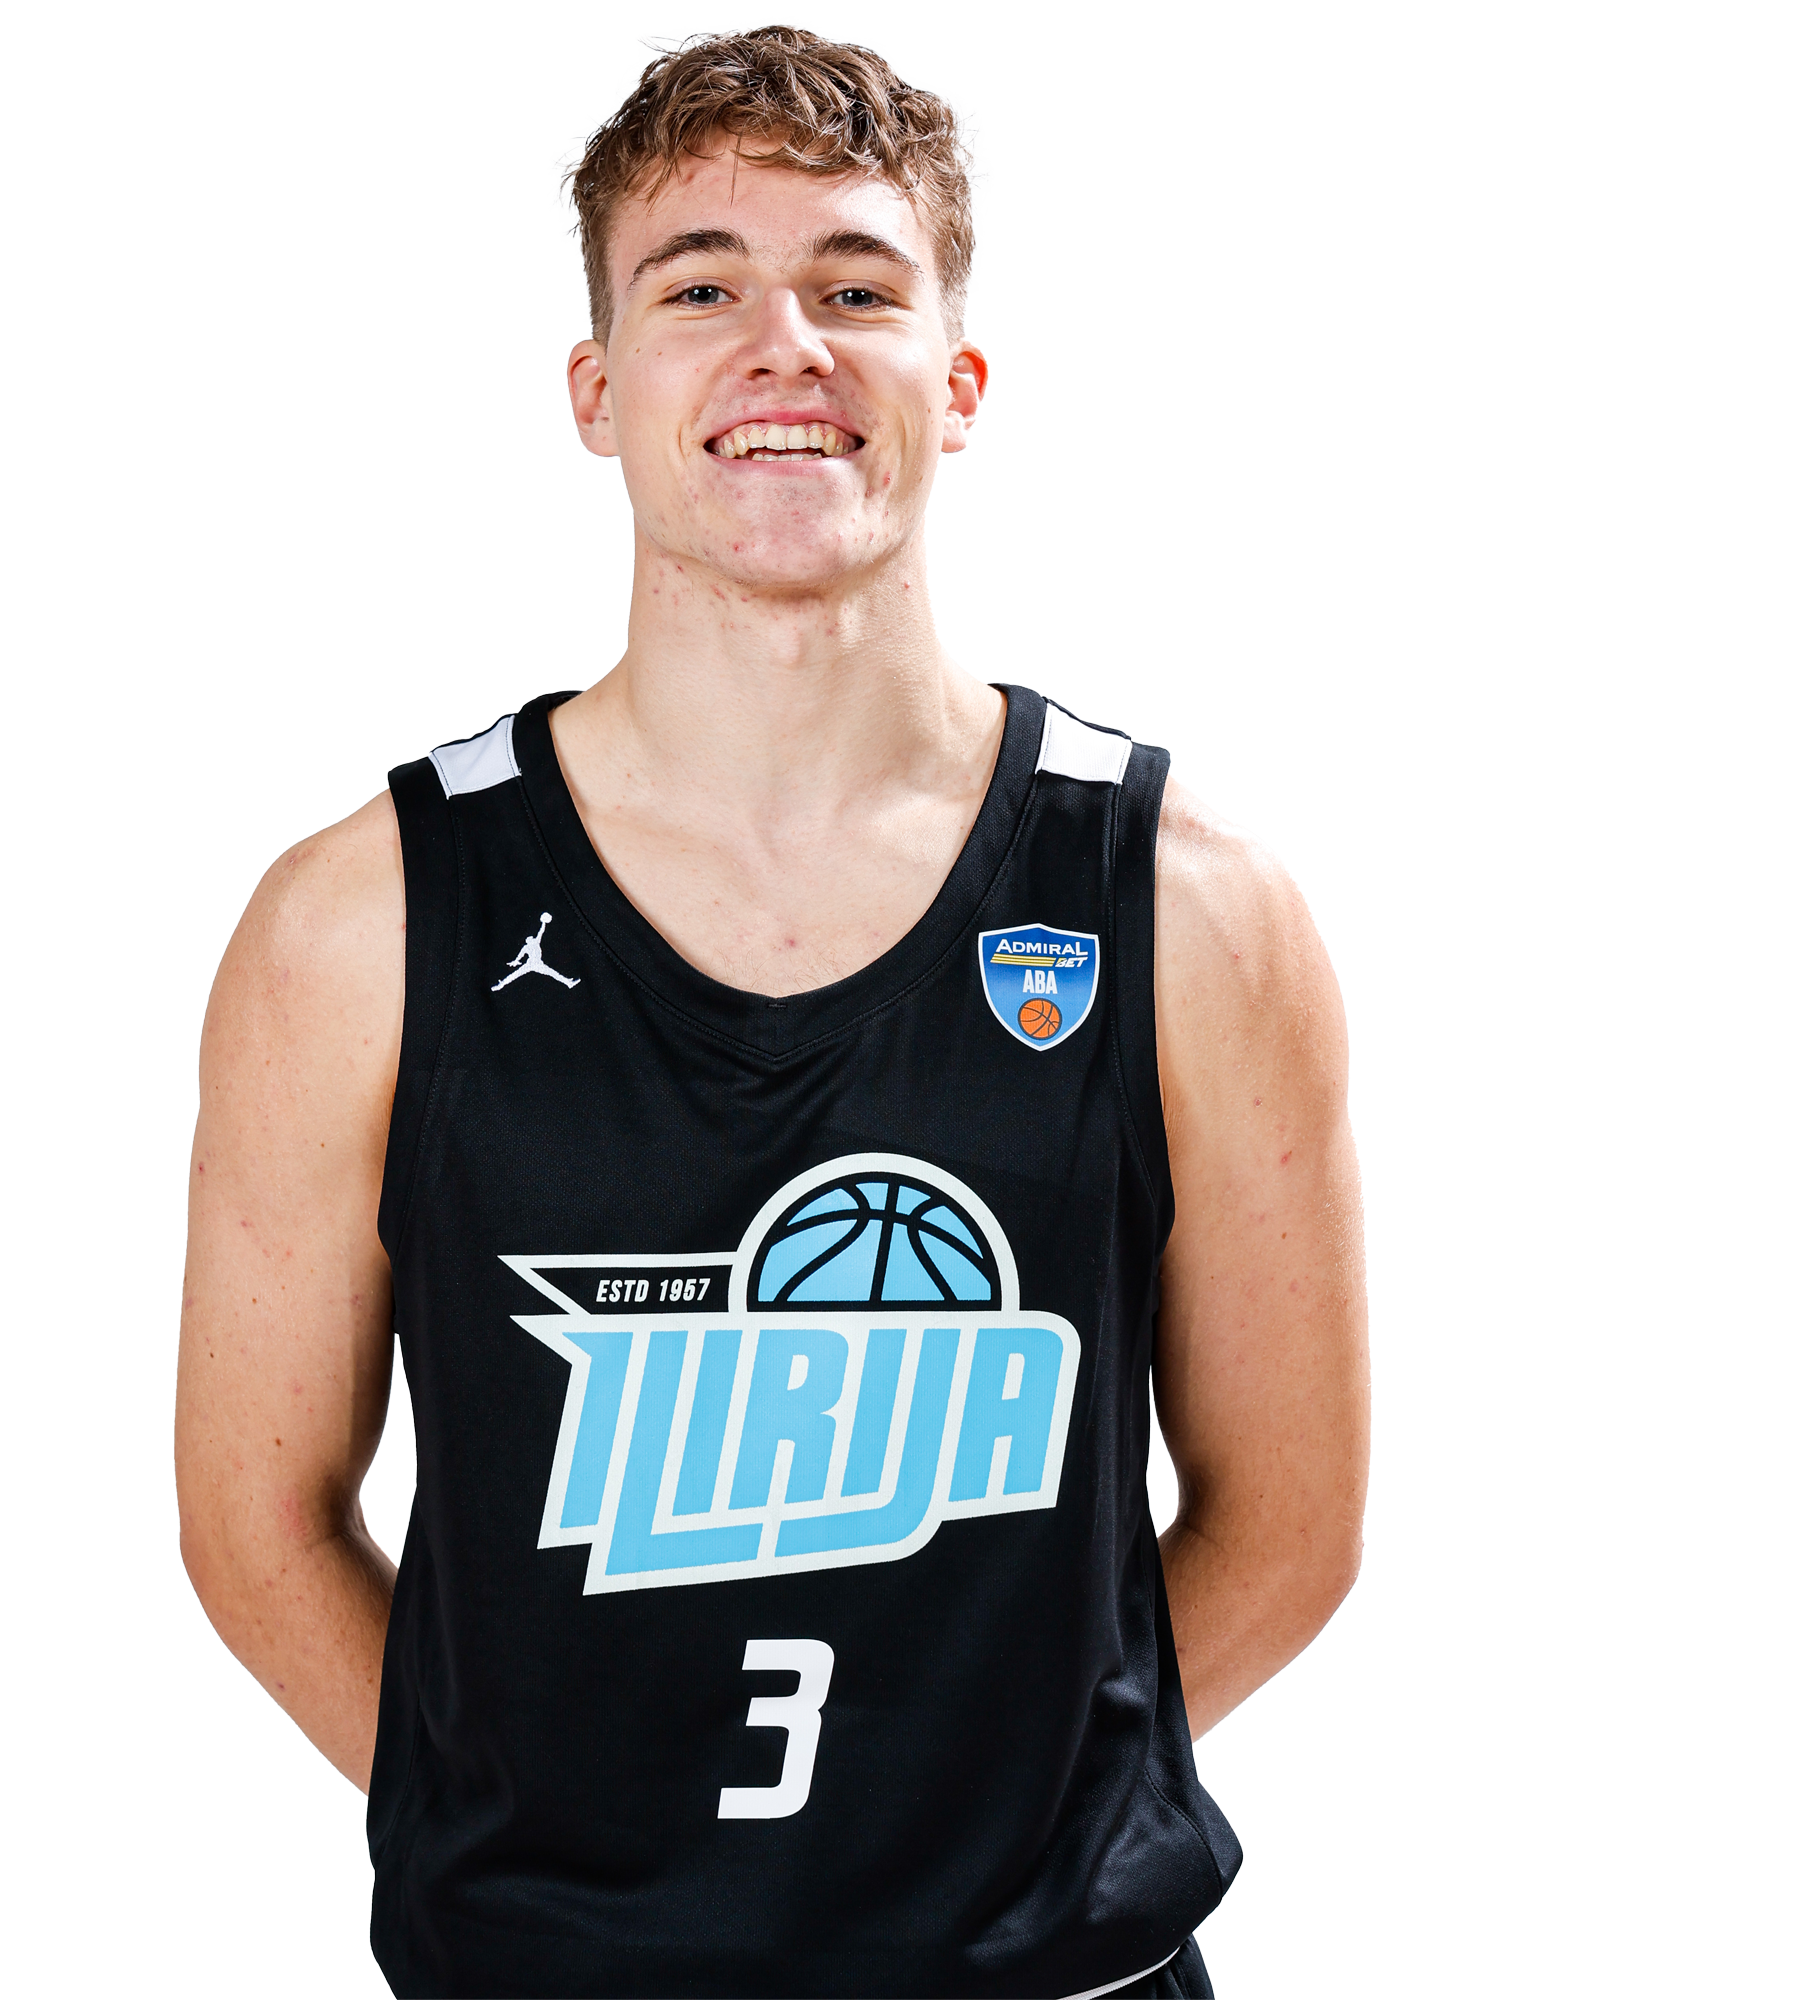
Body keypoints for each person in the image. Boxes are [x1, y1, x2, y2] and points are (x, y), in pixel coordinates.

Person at [176, 25, 1368, 2000]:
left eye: (857, 288)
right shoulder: (358, 923)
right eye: (699, 288)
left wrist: (998, 1847)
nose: (783, 347)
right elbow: (255, 1522)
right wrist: (564, 1861)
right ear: (599, 389)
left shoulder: (1190, 909)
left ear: (956, 382)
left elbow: (1293, 1518)